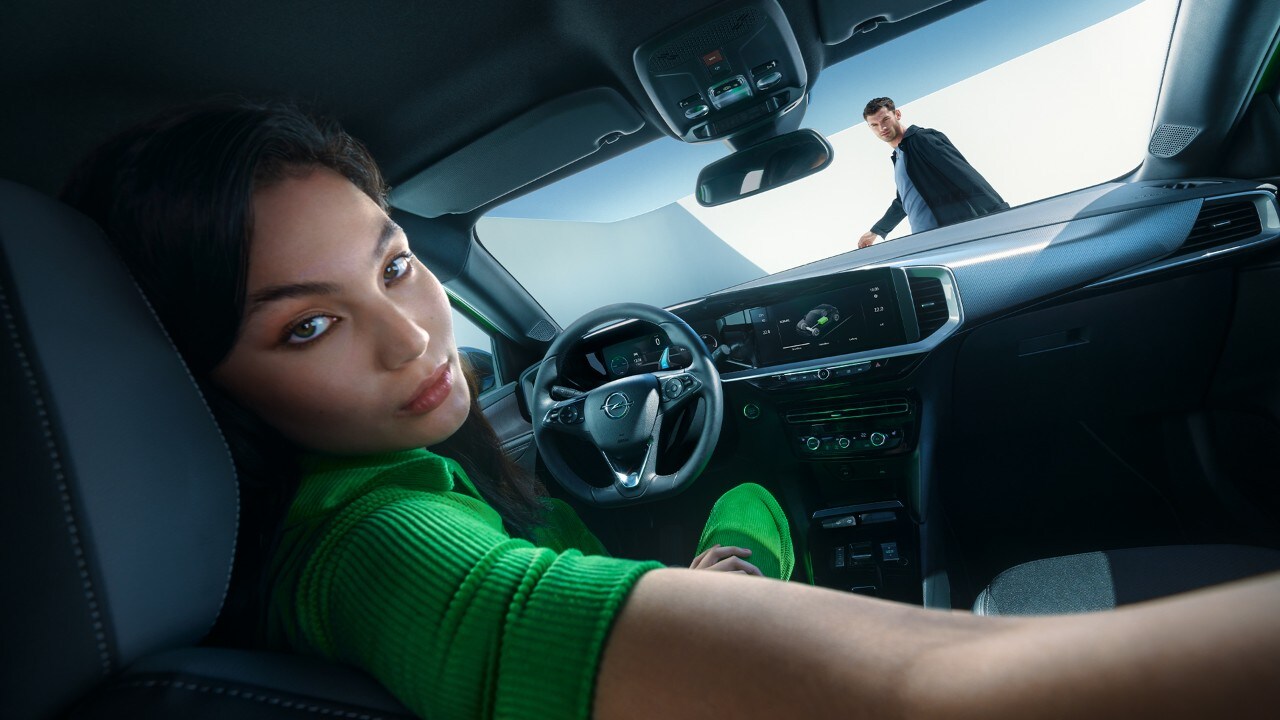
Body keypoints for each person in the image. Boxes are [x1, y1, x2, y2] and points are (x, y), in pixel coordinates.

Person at [61, 100, 1279, 720]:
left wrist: (730, 571)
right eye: (306, 326)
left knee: (750, 496)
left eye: (392, 264)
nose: (414, 332)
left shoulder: (395, 489)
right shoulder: (373, 548)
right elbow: (912, 696)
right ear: (199, 381)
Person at [858, 96, 1008, 248]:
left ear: (897, 114)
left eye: (885, 119)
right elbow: (903, 201)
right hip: (925, 240)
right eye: (874, 125)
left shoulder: (921, 139)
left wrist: (1002, 215)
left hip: (952, 233)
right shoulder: (899, 156)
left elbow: (965, 176)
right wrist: (876, 231)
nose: (881, 128)